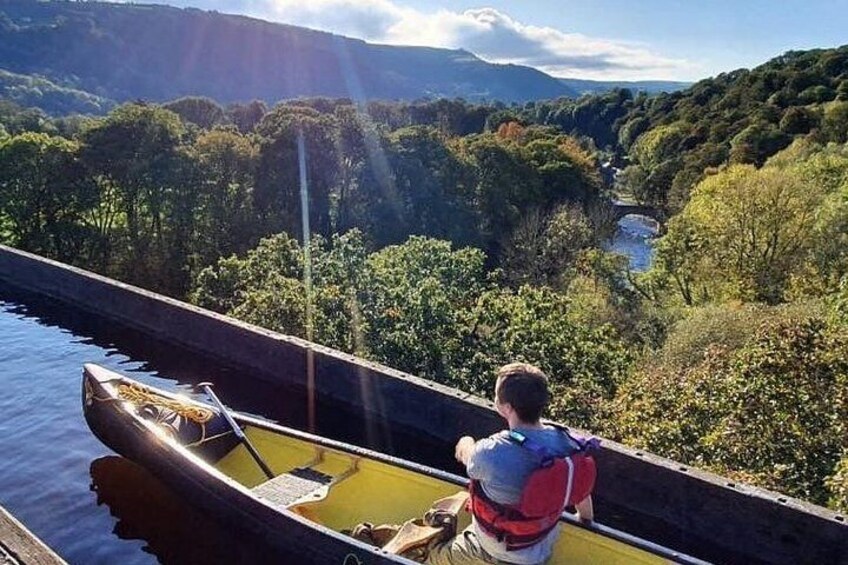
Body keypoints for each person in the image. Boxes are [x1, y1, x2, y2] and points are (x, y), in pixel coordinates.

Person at [428, 363, 596, 565]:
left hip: (493, 549)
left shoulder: (491, 451)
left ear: (506, 408)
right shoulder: (568, 443)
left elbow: (468, 457)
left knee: (434, 559)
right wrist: (585, 520)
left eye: (497, 396)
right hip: (539, 549)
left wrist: (465, 441)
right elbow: (579, 489)